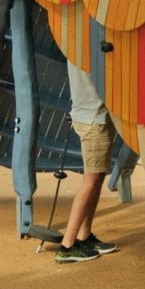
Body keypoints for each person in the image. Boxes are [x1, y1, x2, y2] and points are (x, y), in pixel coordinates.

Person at [54, 61, 119, 263]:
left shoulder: (76, 44)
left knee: (97, 179)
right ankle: (67, 246)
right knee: (90, 183)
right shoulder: (90, 51)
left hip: (90, 117)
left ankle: (85, 236)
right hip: (94, 122)